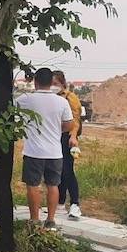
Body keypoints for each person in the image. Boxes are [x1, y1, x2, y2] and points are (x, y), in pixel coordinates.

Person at [16, 68, 73, 231]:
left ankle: (34, 220)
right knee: (53, 185)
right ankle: (51, 219)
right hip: (55, 152)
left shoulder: (25, 99)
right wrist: (57, 130)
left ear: (35, 81)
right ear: (51, 82)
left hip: (33, 152)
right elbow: (69, 124)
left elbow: (12, 114)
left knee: (33, 186)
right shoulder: (62, 102)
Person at [53, 70, 82, 220]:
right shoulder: (52, 98)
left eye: (56, 84)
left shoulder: (70, 98)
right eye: (51, 84)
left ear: (62, 83)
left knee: (67, 170)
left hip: (67, 138)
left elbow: (75, 120)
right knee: (58, 171)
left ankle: (75, 204)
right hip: (53, 137)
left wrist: (73, 136)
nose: (53, 87)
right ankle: (59, 203)